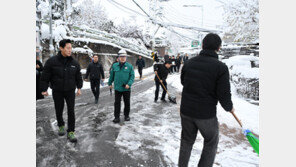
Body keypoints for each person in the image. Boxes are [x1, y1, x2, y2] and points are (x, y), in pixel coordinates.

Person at [178, 33, 235, 167]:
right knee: (211, 141)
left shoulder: (189, 63)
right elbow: (223, 93)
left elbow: (183, 82)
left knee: (186, 141)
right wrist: (229, 107)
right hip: (205, 115)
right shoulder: (221, 67)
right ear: (219, 48)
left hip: (186, 111)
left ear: (203, 45)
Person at [40, 39, 83, 143]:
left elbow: (78, 76)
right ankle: (61, 125)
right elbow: (45, 76)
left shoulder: (74, 63)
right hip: (57, 90)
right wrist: (44, 89)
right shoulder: (52, 62)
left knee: (71, 111)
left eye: (71, 48)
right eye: (68, 48)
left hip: (70, 90)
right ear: (61, 48)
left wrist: (79, 87)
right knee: (59, 109)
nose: (70, 50)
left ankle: (71, 131)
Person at [108, 49, 135, 123]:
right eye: (121, 56)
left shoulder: (129, 66)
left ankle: (126, 116)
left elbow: (132, 76)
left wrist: (128, 84)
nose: (123, 58)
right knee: (117, 103)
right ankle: (116, 117)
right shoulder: (114, 65)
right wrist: (110, 83)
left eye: (124, 56)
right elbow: (112, 76)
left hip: (126, 88)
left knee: (127, 103)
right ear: (118, 57)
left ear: (126, 57)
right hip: (117, 88)